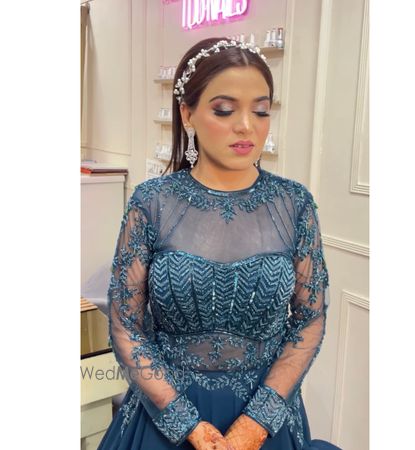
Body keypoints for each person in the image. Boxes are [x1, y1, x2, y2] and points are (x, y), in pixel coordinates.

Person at [97, 37, 341, 450]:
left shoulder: (294, 204)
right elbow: (126, 325)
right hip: (165, 415)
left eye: (261, 110)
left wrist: (258, 421)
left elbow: (309, 320)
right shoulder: (152, 202)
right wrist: (185, 422)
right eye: (225, 110)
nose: (246, 125)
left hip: (265, 417)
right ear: (187, 113)